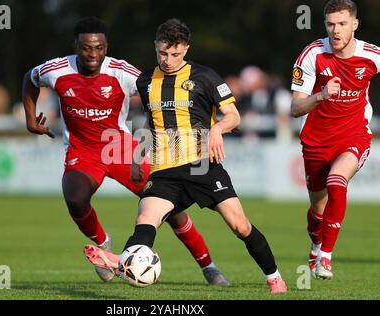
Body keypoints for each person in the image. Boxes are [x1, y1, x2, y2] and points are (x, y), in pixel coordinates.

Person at [21, 16, 229, 286]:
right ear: (76, 46)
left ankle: (208, 266)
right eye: (86, 48)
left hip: (120, 147)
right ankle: (104, 245)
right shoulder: (57, 70)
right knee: (74, 197)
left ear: (106, 47)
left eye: (99, 48)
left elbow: (155, 100)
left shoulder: (122, 72)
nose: (93, 54)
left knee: (171, 206)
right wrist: (29, 118)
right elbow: (30, 78)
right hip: (82, 151)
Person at [84, 18, 287, 293]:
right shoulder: (145, 81)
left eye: (175, 54)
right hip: (164, 169)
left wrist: (217, 128)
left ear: (186, 50)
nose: (168, 60)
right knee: (146, 220)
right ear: (156, 47)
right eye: (163, 53)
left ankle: (274, 277)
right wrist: (136, 157)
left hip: (202, 165)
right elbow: (151, 122)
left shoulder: (205, 76)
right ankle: (122, 260)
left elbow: (234, 117)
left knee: (240, 226)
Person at [290, 0, 379, 279]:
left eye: (342, 24)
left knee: (337, 181)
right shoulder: (312, 54)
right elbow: (295, 108)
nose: (335, 30)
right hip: (317, 140)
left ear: (354, 24)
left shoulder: (372, 55)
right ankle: (316, 244)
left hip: (354, 134)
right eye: (330, 24)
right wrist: (321, 95)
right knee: (317, 209)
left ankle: (325, 258)